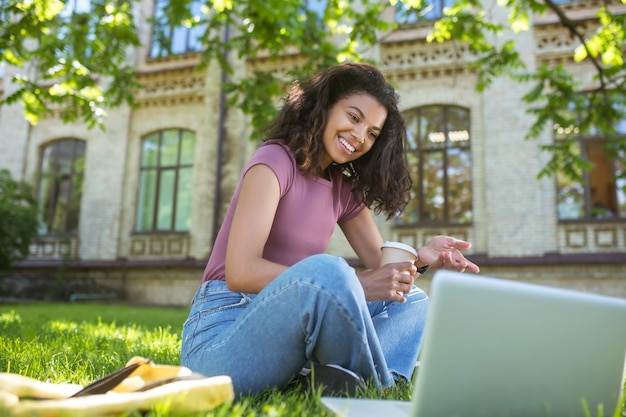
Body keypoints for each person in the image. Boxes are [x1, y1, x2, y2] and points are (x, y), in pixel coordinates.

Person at [180, 63, 480, 397]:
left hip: (293, 334)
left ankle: (352, 381)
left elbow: (383, 277)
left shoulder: (342, 188)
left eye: (372, 133)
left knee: (410, 301)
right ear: (324, 107)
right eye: (353, 118)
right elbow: (240, 271)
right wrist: (350, 283)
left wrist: (421, 260)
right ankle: (374, 384)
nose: (359, 136)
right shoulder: (274, 161)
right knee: (330, 269)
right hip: (222, 337)